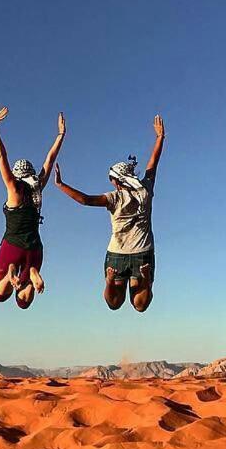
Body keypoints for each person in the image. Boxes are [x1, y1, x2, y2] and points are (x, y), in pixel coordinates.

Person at [54, 115, 165, 312]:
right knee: (140, 306)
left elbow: (85, 200)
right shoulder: (145, 190)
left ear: (116, 180)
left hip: (117, 254)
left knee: (114, 303)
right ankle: (145, 280)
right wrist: (160, 138)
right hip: (143, 253)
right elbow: (152, 165)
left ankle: (109, 281)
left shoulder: (113, 198)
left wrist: (61, 185)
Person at [0, 107, 65, 308]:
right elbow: (49, 160)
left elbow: (1, 157)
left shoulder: (13, 188)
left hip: (12, 246)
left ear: (16, 174)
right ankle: (31, 274)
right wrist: (60, 135)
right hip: (34, 247)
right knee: (23, 303)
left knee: (0, 295)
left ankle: (10, 273)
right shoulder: (38, 187)